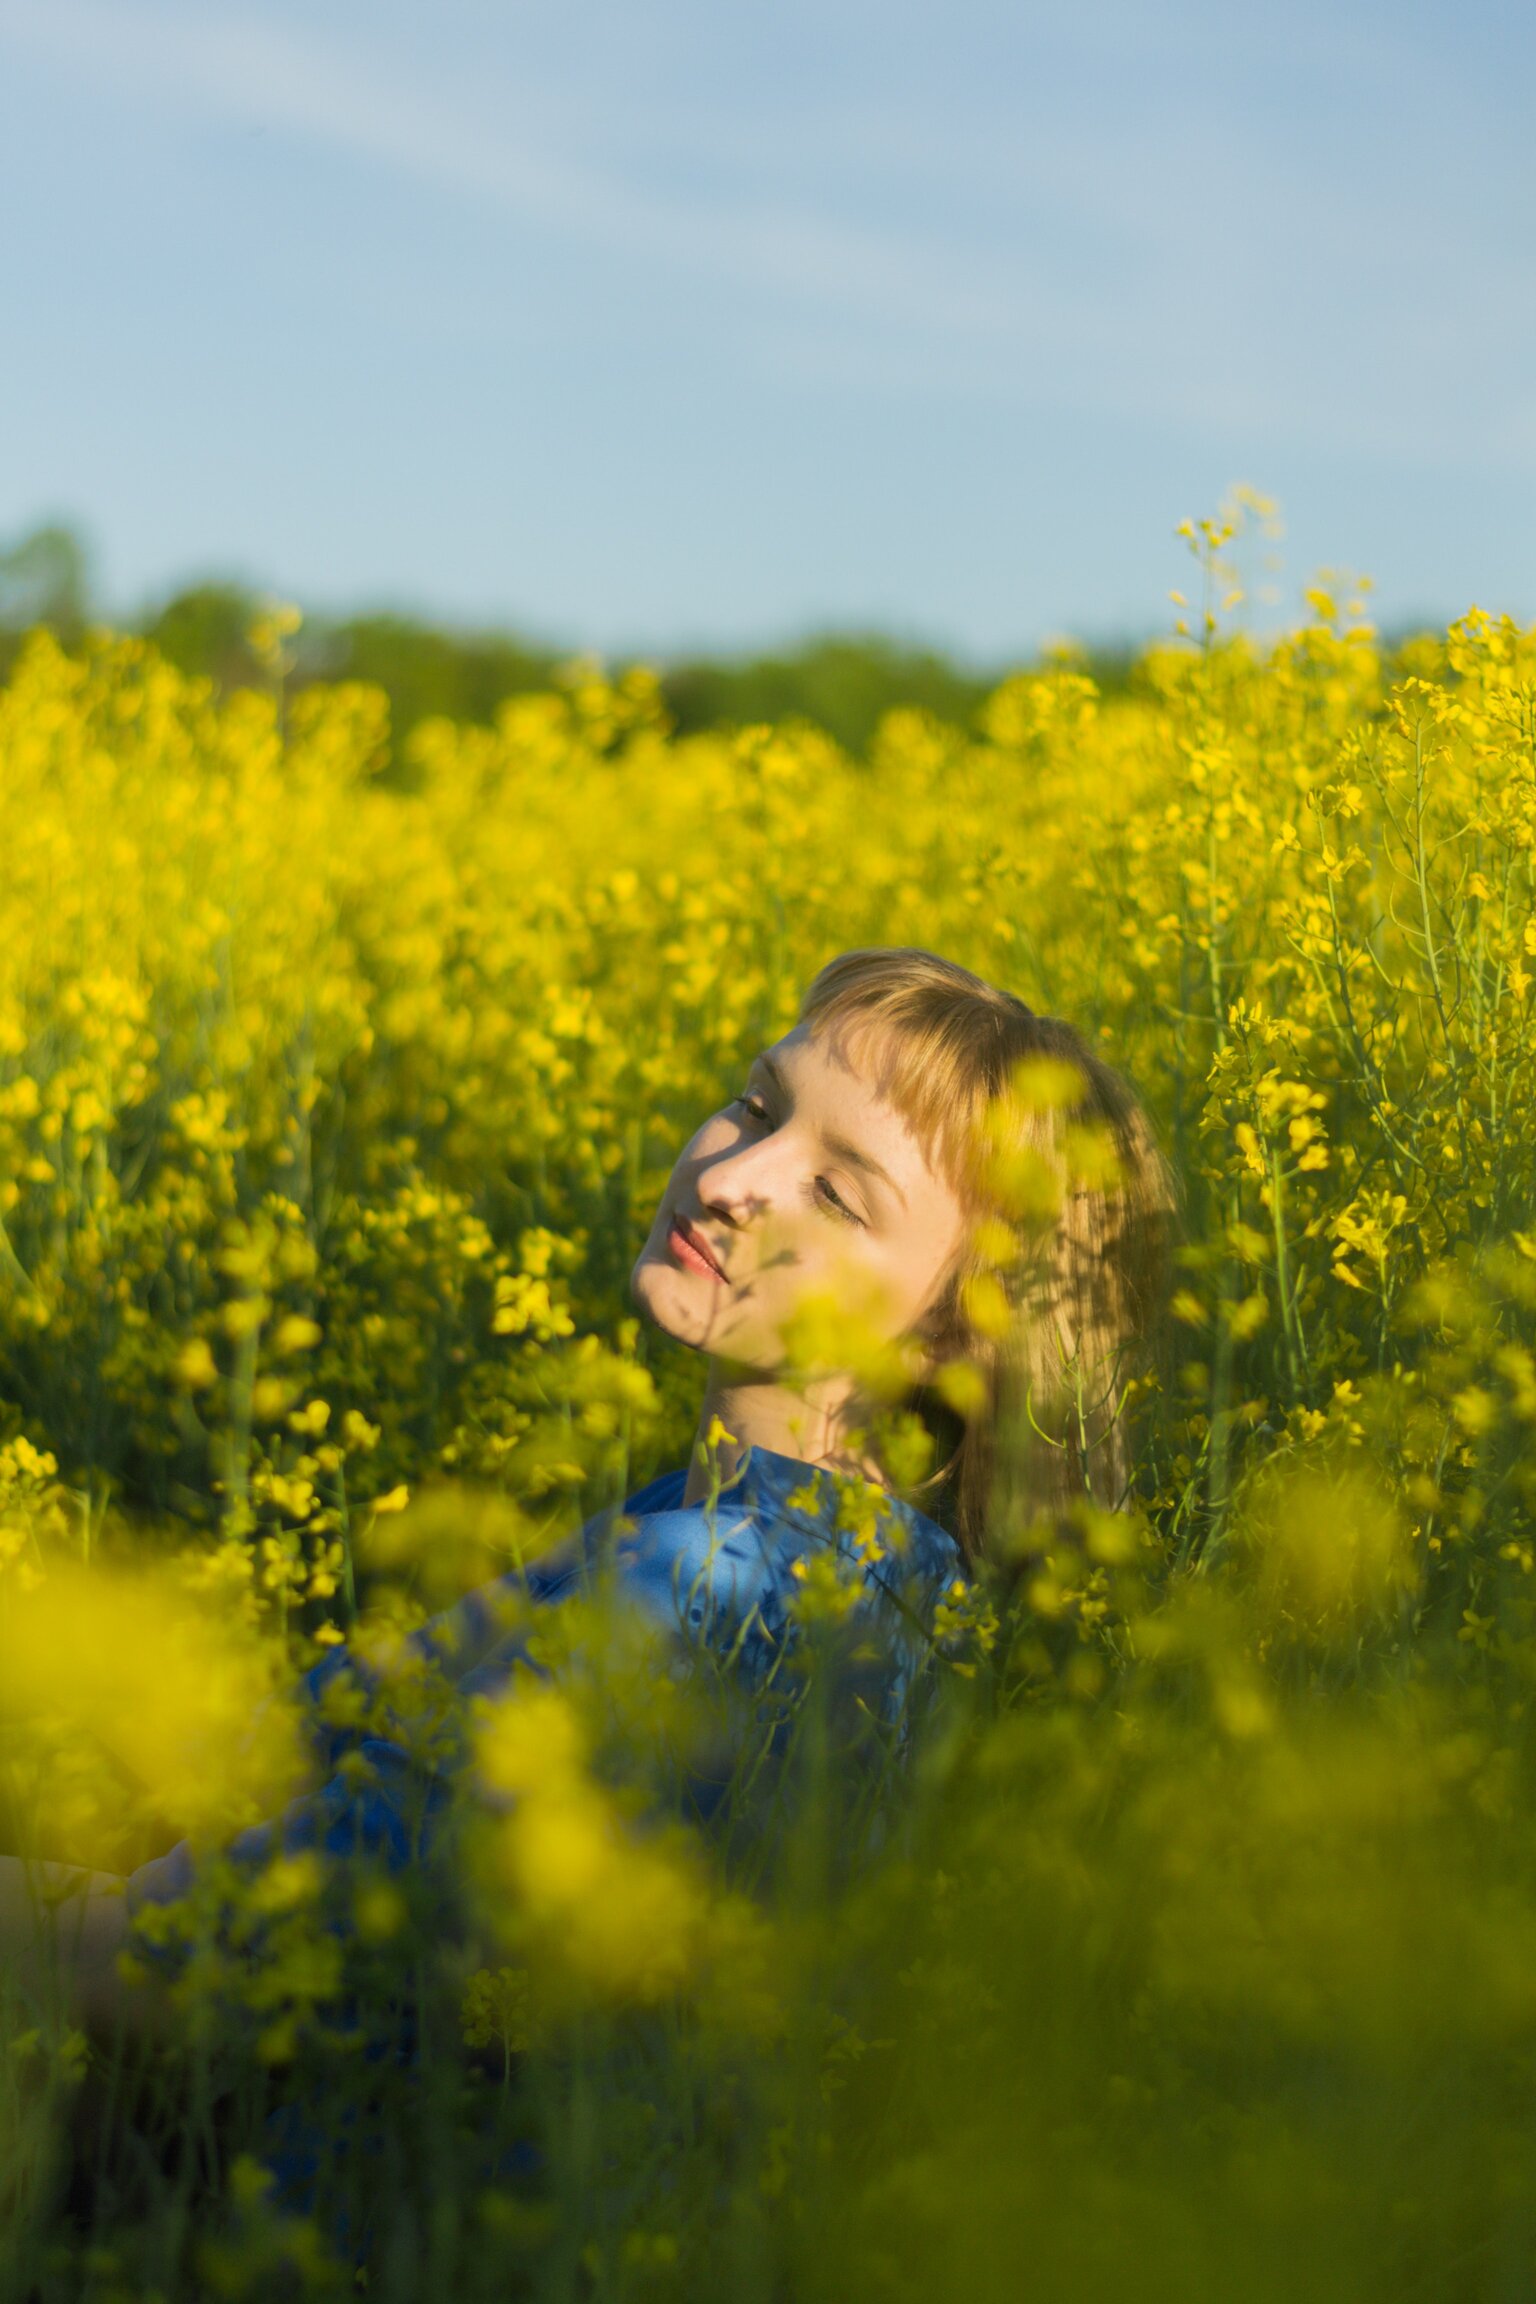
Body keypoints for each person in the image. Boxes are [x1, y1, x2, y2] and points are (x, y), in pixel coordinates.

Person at [0, 946, 1168, 2025]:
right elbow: (282, 1760)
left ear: (952, 1340)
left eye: (837, 1193)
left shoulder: (705, 1596)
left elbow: (173, 1956)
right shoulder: (864, 1580)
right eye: (757, 1108)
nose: (734, 1177)